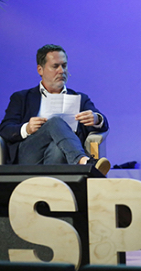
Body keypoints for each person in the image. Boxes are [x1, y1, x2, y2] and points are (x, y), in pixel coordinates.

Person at [0, 44, 110, 174]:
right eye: (55, 66)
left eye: (64, 65)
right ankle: (83, 161)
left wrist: (96, 119)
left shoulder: (80, 98)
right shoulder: (21, 98)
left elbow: (103, 124)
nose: (61, 71)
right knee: (55, 121)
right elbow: (5, 129)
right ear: (40, 70)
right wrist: (27, 129)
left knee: (57, 147)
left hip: (62, 156)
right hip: (30, 154)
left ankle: (53, 189)